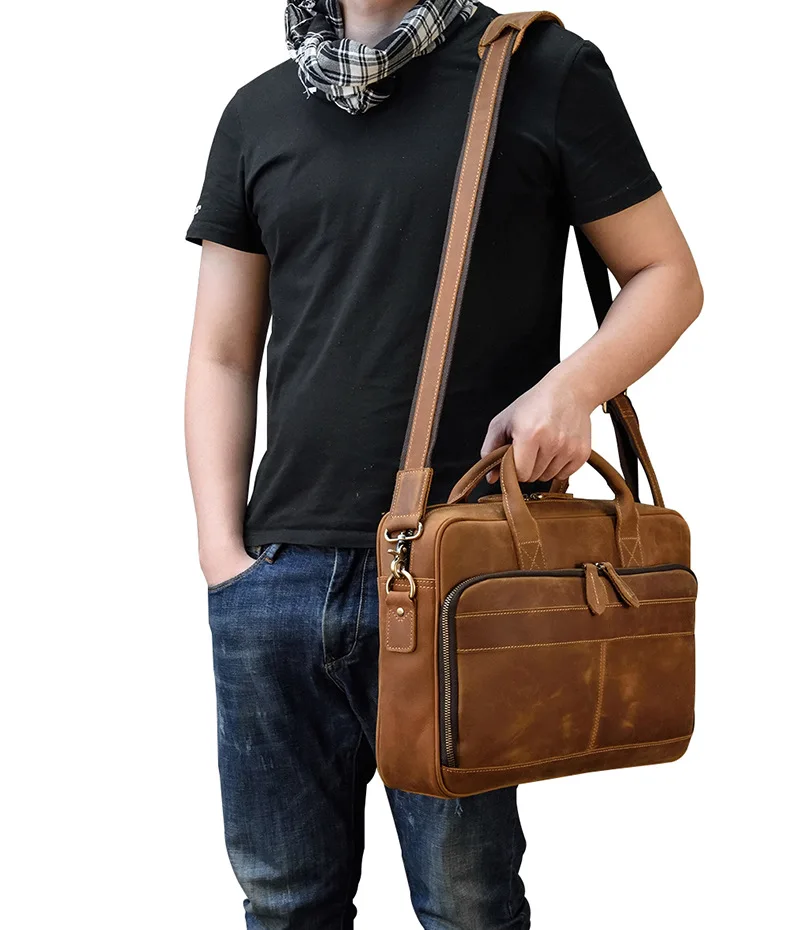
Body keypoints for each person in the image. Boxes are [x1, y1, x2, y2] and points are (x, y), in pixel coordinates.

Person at [183, 1, 703, 927]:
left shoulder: (539, 70)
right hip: (274, 578)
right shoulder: (257, 112)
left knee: (468, 906)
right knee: (281, 903)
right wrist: (222, 558)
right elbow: (223, 352)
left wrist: (572, 388)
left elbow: (668, 275)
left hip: (457, 576)